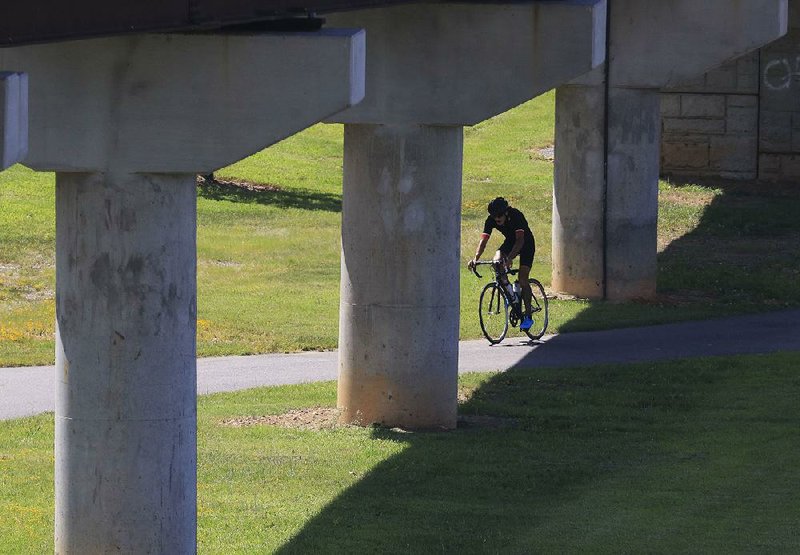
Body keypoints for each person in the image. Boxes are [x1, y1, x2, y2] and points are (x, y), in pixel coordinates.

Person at [468, 197, 536, 331]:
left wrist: (510, 258)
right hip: (510, 242)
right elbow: (484, 241)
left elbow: (520, 241)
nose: (496, 219)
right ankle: (511, 293)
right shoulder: (491, 220)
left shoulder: (516, 216)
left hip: (526, 243)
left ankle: (528, 315)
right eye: (494, 216)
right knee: (496, 261)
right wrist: (475, 258)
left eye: (499, 215)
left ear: (506, 212)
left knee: (523, 279)